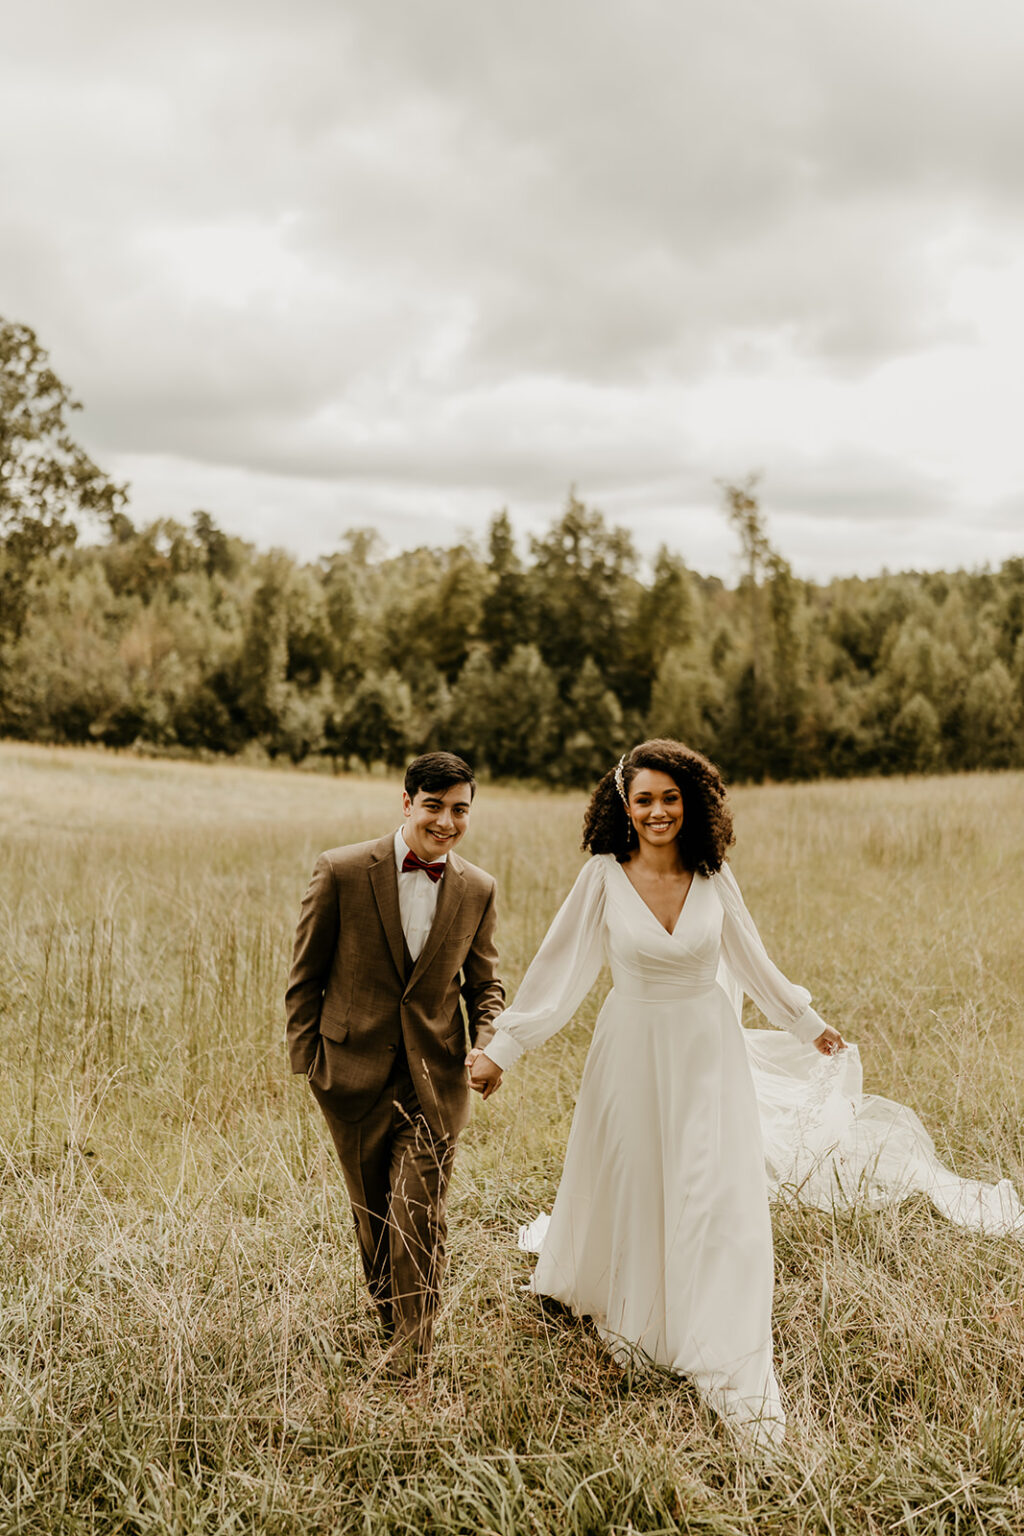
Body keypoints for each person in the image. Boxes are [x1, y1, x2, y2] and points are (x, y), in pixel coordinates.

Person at [468, 737, 1024, 1449]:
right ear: (623, 805)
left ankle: (712, 1322)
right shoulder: (603, 877)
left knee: (709, 1186)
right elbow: (558, 971)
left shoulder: (711, 873)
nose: (658, 811)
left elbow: (751, 959)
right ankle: (638, 1311)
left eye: (671, 797)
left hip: (707, 1053)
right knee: (638, 1177)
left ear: (691, 802)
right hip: (631, 1050)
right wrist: (502, 1049)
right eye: (644, 799)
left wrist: (807, 1025)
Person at [287, 751, 504, 1376]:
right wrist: (311, 1066)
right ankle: (391, 1324)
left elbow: (485, 986)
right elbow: (305, 980)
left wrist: (487, 1043)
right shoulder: (342, 870)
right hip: (349, 1075)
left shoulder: (478, 889)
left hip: (435, 1079)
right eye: (433, 806)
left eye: (460, 809)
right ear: (406, 802)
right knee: (374, 1217)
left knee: (418, 1212)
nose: (446, 822)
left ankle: (414, 1357)